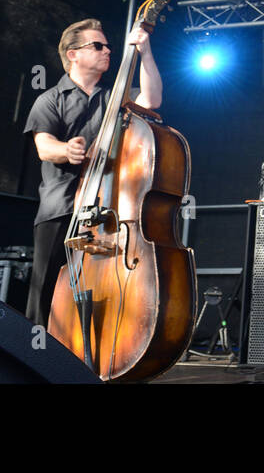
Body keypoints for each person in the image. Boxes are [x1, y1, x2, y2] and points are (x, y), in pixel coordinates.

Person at [24, 19, 161, 327]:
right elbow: (44, 147)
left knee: (102, 291)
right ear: (73, 54)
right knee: (44, 293)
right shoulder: (49, 99)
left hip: (105, 212)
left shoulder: (115, 98)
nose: (107, 51)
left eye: (109, 46)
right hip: (60, 209)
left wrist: (145, 53)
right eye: (98, 46)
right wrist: (67, 150)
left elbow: (152, 101)